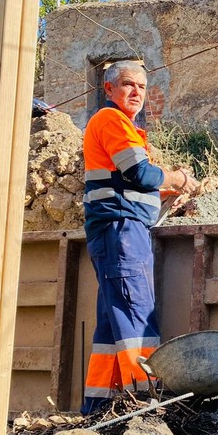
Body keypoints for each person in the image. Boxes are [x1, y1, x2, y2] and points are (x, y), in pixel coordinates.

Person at [80, 61, 199, 414]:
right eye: (128, 85)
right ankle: (145, 405)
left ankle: (99, 409)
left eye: (142, 87)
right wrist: (176, 178)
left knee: (112, 325)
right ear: (109, 90)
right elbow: (140, 173)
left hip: (117, 229)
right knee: (137, 318)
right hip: (121, 231)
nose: (136, 92)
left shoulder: (118, 125)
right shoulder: (112, 120)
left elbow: (126, 183)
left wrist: (163, 194)